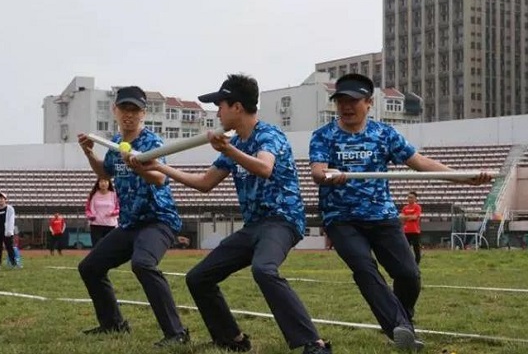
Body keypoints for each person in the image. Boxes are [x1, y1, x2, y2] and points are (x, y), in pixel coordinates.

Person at [133, 74, 331, 354]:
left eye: (221, 106)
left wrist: (228, 148)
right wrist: (158, 167)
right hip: (253, 227)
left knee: (263, 269)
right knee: (198, 278)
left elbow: (264, 168)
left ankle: (314, 343)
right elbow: (205, 183)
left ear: (237, 107)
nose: (217, 113)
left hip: (282, 221)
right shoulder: (235, 143)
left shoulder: (269, 134)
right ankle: (232, 340)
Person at [309, 73, 492, 350]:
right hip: (341, 219)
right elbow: (317, 172)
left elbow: (420, 163)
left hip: (382, 217)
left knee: (409, 275)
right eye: (341, 101)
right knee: (364, 268)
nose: (346, 107)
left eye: (353, 101)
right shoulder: (323, 136)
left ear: (369, 103)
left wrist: (465, 178)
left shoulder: (384, 134)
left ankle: (403, 323)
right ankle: (400, 328)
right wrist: (330, 174)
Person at [76, 85, 189, 347]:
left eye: (134, 110)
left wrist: (137, 167)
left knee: (143, 264)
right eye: (124, 109)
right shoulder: (115, 143)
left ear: (143, 114)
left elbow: (159, 178)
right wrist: (89, 152)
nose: (129, 114)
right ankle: (113, 323)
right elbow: (105, 173)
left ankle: (177, 333)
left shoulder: (152, 143)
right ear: (114, 110)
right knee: (90, 267)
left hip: (158, 220)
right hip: (130, 223)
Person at [85, 177, 119, 247]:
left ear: (109, 183)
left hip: (110, 225)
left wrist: (113, 213)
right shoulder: (93, 195)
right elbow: (87, 209)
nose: (103, 184)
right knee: (96, 246)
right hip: (96, 225)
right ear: (98, 183)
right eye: (101, 182)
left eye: (105, 181)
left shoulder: (114, 195)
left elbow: (118, 208)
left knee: (110, 246)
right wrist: (90, 216)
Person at [0, 192, 18, 269]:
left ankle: (13, 264)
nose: (0, 200)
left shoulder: (10, 209)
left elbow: (11, 220)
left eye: (1, 198)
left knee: (9, 247)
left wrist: (9, 231)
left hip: (6, 231)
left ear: (5, 199)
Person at [400, 191, 422, 265]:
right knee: (405, 249)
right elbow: (401, 218)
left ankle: (416, 264)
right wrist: (410, 217)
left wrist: (406, 217)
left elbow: (415, 217)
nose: (409, 199)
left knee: (416, 249)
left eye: (411, 197)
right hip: (406, 231)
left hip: (415, 231)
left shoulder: (417, 207)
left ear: (415, 199)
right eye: (408, 197)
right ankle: (407, 263)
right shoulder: (405, 208)